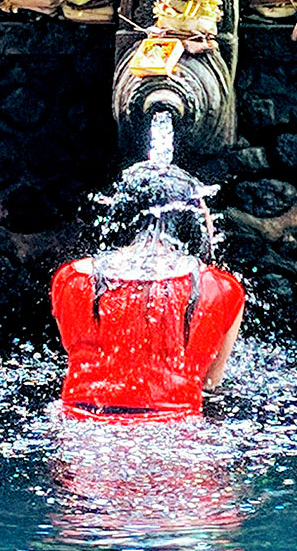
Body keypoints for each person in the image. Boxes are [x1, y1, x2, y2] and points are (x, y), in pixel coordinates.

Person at [51, 161, 244, 420]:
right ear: (190, 219)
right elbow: (210, 382)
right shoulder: (220, 289)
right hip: (176, 437)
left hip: (81, 429)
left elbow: (82, 353)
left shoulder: (72, 278)